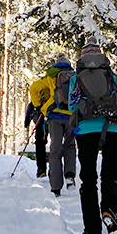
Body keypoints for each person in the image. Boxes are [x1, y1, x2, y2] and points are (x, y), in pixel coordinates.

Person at [69, 38, 117, 234]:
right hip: (114, 127)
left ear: (83, 56)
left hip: (86, 130)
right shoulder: (111, 75)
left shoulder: (77, 77)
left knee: (89, 178)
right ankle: (109, 209)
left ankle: (93, 233)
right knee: (110, 174)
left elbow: (72, 105)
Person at [44, 53, 77, 197]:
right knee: (70, 145)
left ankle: (56, 188)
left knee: (55, 150)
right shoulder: (74, 76)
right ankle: (70, 175)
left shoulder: (50, 76)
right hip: (70, 115)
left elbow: (33, 88)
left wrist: (42, 106)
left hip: (55, 117)